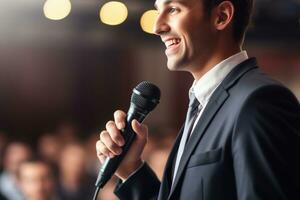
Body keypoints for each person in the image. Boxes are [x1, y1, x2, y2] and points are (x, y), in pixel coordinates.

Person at [96, 0, 300, 199]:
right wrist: (131, 168)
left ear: (222, 16)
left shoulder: (259, 102)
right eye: (158, 11)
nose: (157, 27)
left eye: (174, 9)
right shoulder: (204, 102)